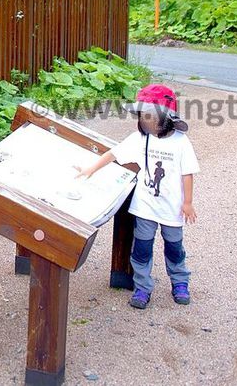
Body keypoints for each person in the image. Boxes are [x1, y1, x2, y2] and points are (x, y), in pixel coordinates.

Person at [75, 83, 199, 309]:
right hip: (145, 207)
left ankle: (180, 282)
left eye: (150, 115)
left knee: (174, 247)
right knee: (141, 248)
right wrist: (91, 169)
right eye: (142, 116)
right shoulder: (140, 139)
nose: (145, 120)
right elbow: (114, 154)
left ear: (166, 117)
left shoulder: (181, 142)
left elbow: (187, 173)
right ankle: (142, 287)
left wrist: (188, 203)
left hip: (172, 207)